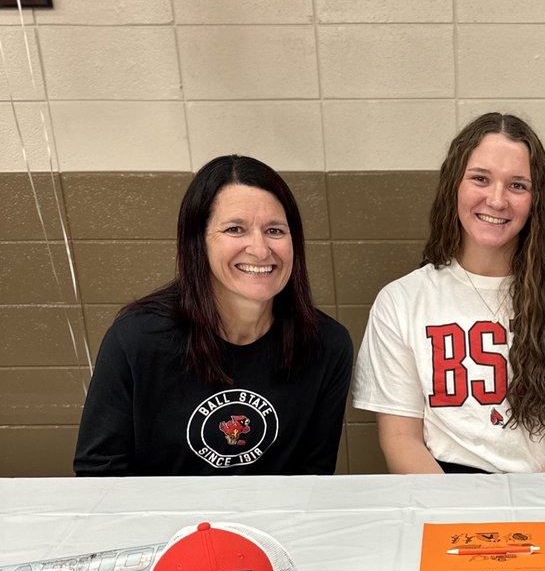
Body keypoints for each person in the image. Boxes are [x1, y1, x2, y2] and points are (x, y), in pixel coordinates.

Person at [351, 113, 545, 473]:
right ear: (455, 184)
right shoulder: (401, 301)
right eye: (480, 179)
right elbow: (400, 438)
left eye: (517, 185)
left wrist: (529, 513)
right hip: (444, 494)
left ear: (536, 200)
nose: (497, 200)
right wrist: (459, 518)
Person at [74, 155, 352, 476]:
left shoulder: (327, 345)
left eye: (275, 230)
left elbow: (313, 477)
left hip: (268, 525)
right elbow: (98, 472)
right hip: (165, 524)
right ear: (198, 242)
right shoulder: (137, 338)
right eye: (235, 229)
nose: (260, 250)